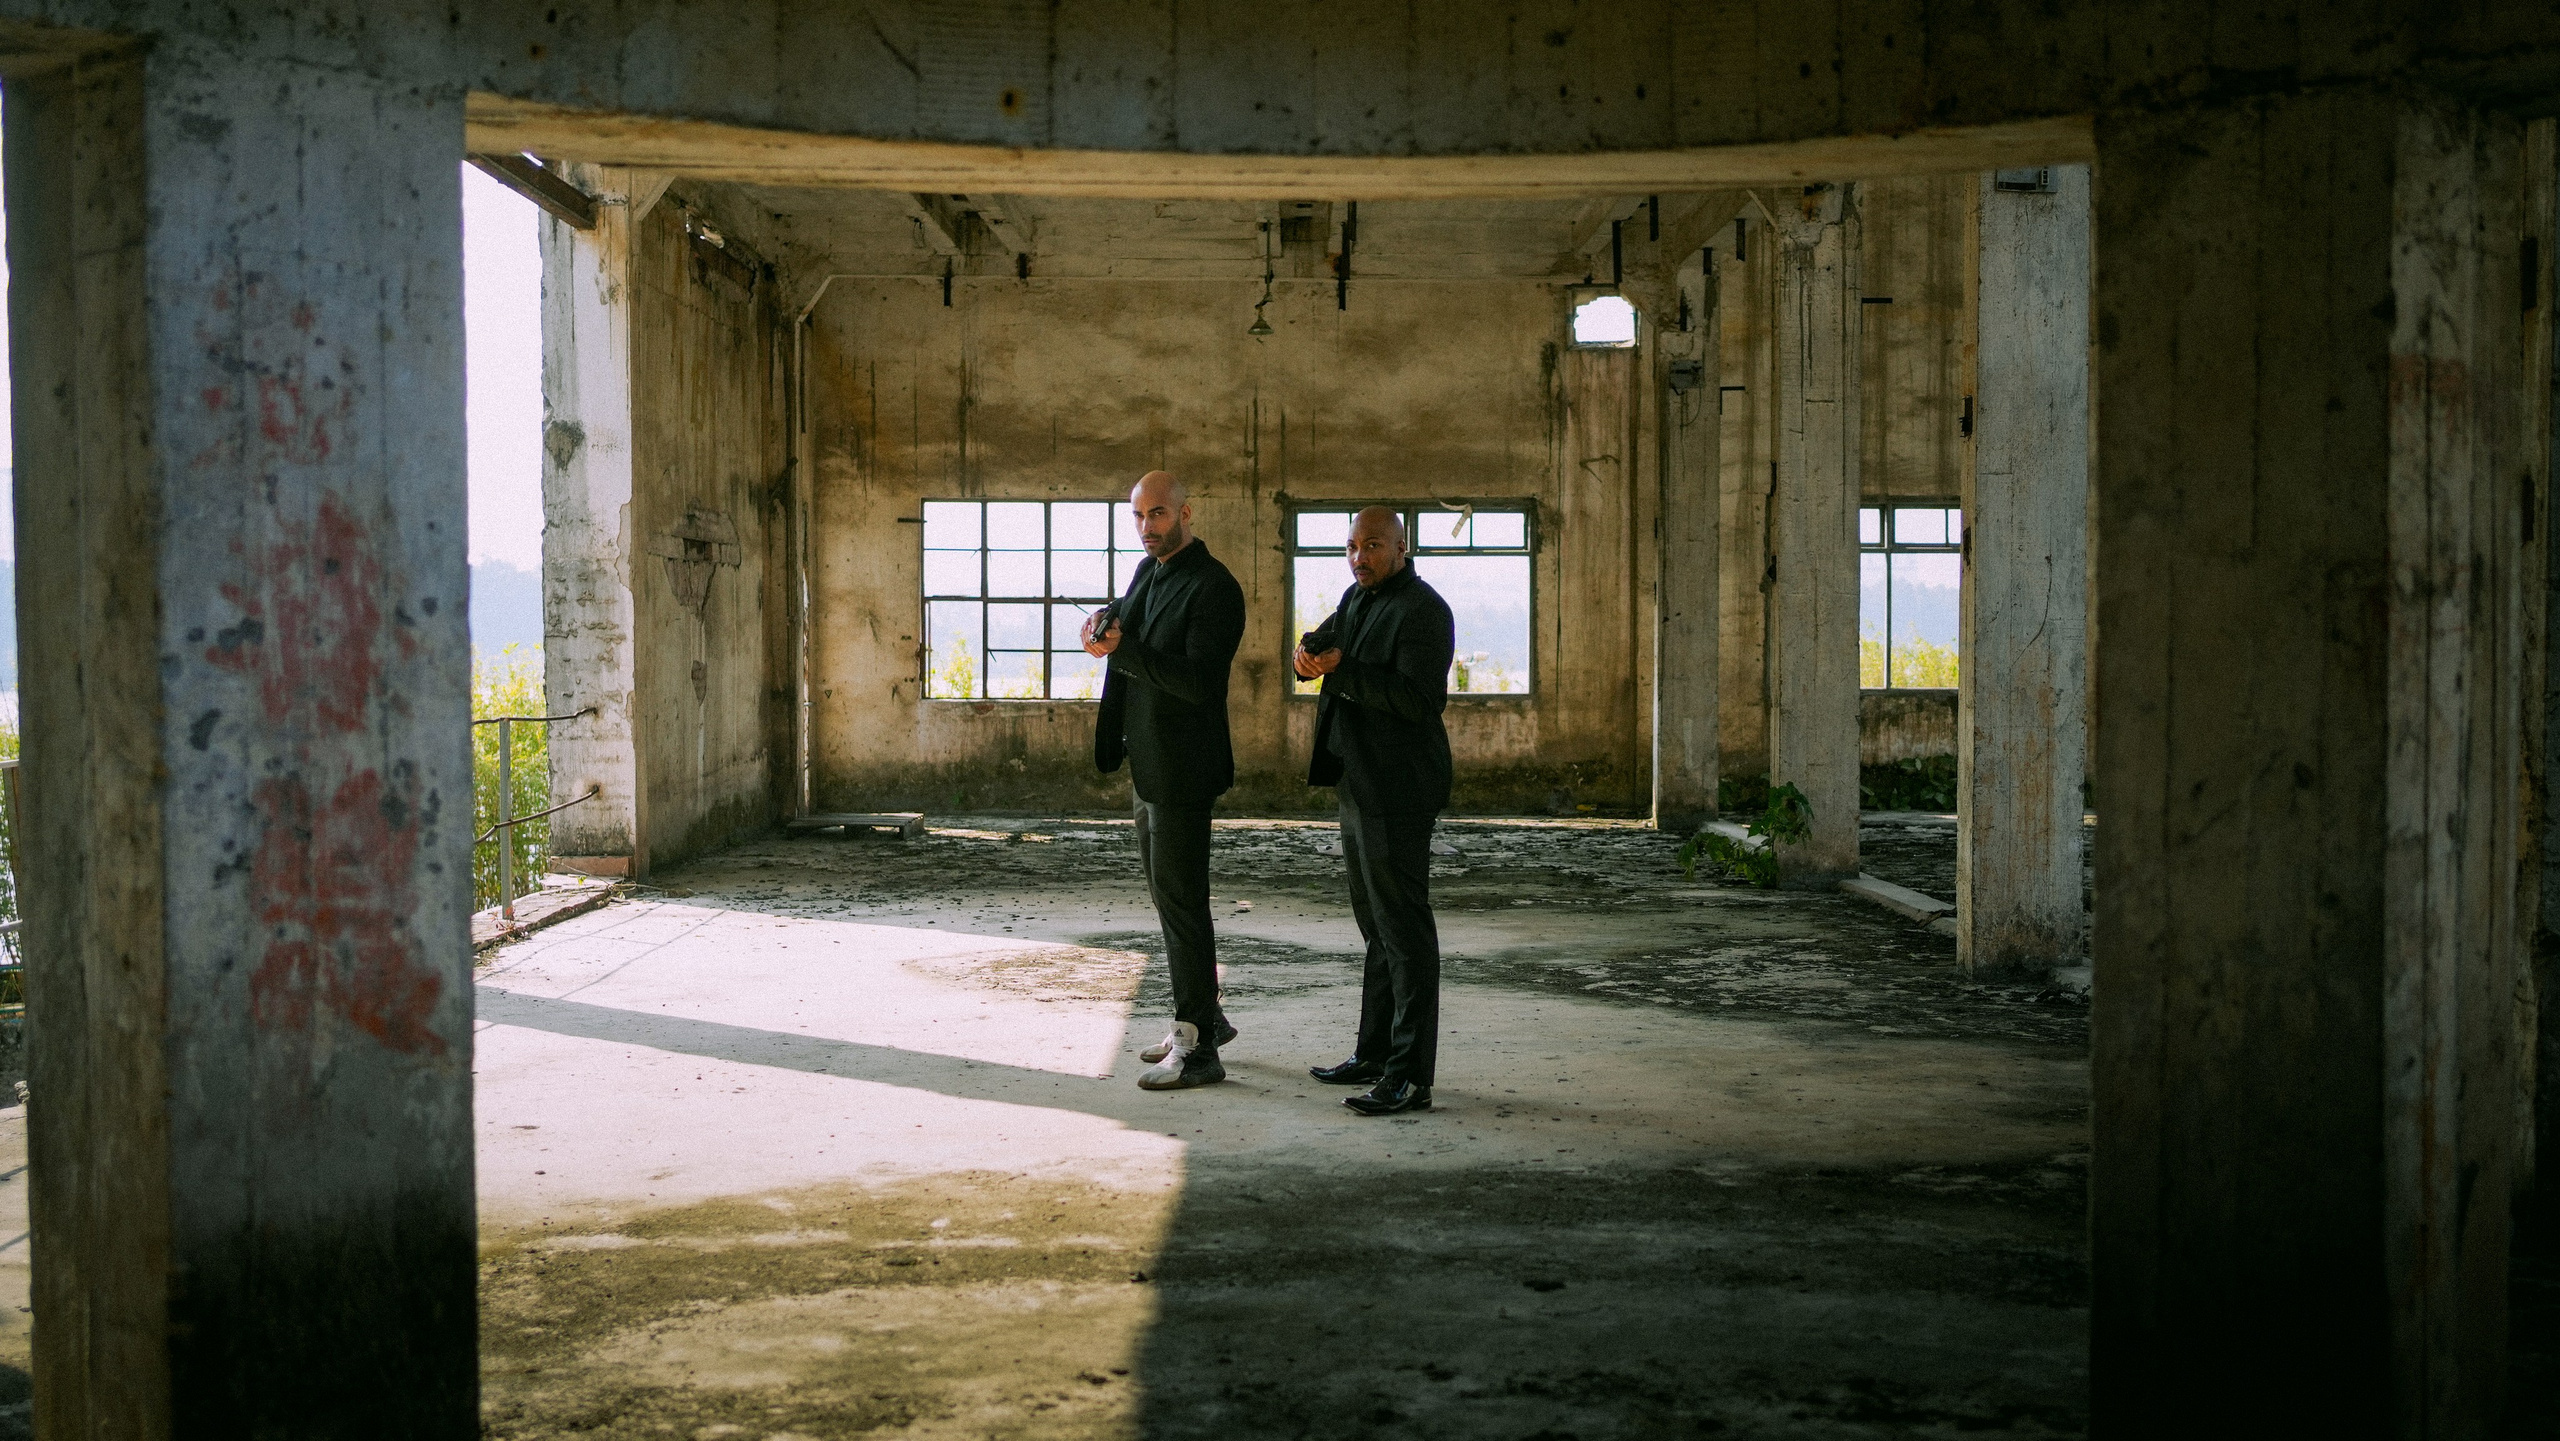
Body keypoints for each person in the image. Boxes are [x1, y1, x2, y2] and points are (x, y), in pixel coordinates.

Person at [1085, 471, 1247, 1091]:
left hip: (1184, 770)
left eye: (1157, 515)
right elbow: (1131, 615)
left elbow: (1199, 683)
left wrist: (1121, 650)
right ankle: (1207, 1018)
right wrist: (1104, 619)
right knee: (1168, 899)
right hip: (1149, 765)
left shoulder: (1215, 587)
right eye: (1137, 516)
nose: (1146, 527)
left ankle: (1199, 1050)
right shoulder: (1150, 572)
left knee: (1182, 903)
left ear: (1186, 512)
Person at [1294, 506, 1455, 1116]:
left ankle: (1411, 1076)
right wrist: (1305, 655)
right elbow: (1326, 641)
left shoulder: (1424, 610)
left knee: (1405, 931)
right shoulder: (1357, 597)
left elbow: (1419, 700)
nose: (1360, 557)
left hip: (1400, 787)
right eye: (1353, 545)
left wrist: (1345, 672)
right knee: (1376, 928)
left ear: (1402, 547)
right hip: (1359, 784)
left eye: (1374, 546)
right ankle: (1374, 1053)